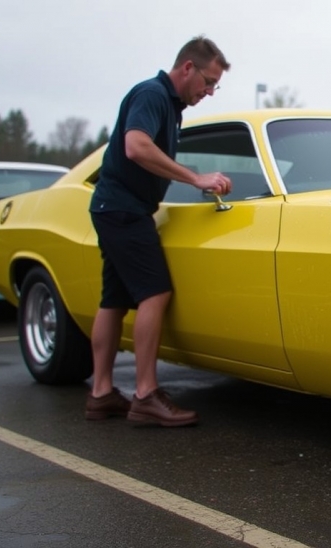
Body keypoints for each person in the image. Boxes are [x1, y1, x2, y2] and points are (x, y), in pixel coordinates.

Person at [83, 36, 232, 427]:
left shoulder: (170, 104)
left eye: (216, 85)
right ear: (188, 68)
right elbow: (135, 146)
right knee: (155, 292)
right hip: (123, 210)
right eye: (209, 82)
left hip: (115, 208)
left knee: (113, 299)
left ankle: (101, 394)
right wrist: (196, 178)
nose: (210, 92)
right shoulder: (152, 94)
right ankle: (146, 394)